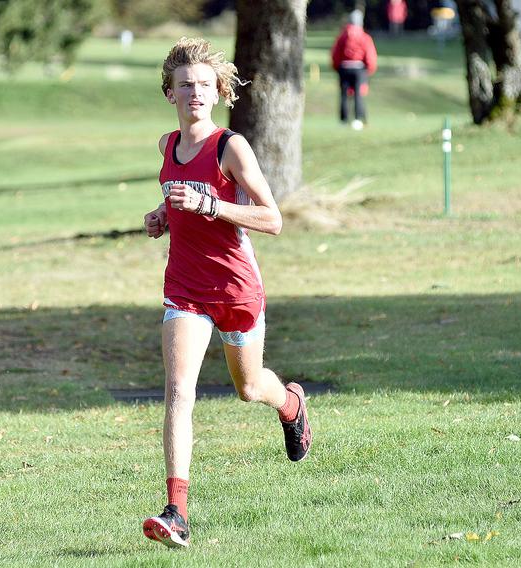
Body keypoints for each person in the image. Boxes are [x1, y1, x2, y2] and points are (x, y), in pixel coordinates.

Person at [140, 38, 312, 549]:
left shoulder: (230, 148)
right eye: (184, 85)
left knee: (249, 387)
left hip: (235, 287)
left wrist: (211, 205)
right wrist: (162, 216)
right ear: (169, 92)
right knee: (178, 392)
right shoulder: (167, 146)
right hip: (185, 288)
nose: (194, 92)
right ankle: (177, 511)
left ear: (218, 91)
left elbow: (272, 218)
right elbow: (178, 201)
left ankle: (290, 404)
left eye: (203, 85)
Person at [330, 9, 378, 130]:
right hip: (359, 69)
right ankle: (357, 119)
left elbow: (335, 54)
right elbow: (370, 55)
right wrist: (369, 70)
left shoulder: (342, 36)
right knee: (358, 94)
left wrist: (337, 67)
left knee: (343, 95)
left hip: (344, 68)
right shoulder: (365, 37)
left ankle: (344, 120)